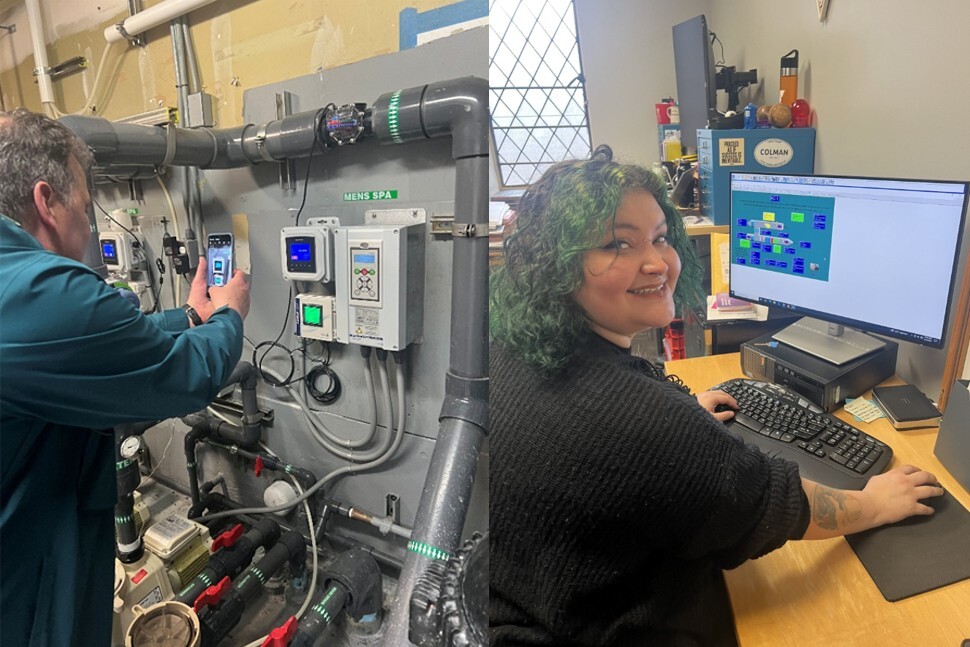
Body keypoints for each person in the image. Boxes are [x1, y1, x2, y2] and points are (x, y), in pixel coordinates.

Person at [488, 145, 944, 646]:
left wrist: (681, 414)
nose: (657, 263)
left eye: (661, 238)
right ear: (558, 265)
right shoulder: (640, 422)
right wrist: (874, 503)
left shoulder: (511, 349)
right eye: (618, 245)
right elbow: (776, 502)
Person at [0, 108, 251, 646]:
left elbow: (100, 341)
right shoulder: (41, 288)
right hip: (23, 572)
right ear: (46, 200)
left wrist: (189, 317)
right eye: (85, 210)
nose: (89, 227)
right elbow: (185, 374)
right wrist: (230, 315)